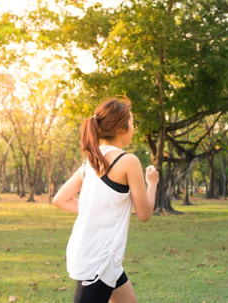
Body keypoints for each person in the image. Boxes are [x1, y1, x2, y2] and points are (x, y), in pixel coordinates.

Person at [53, 96, 159, 303]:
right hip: (98, 260)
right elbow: (145, 214)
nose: (133, 127)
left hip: (101, 257)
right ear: (121, 127)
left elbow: (60, 199)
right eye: (132, 122)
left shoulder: (91, 161)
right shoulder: (128, 161)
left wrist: (93, 211)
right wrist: (152, 184)